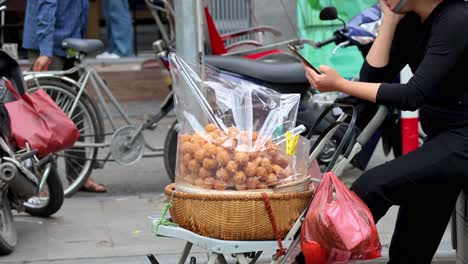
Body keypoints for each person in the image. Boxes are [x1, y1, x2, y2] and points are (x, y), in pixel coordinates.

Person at [305, 0, 468, 262]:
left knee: (371, 187)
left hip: (462, 140)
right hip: (443, 140)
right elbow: (372, 78)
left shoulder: (456, 19)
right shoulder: (413, 23)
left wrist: (341, 85)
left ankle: (306, 259)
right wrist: (389, 20)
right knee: (410, 248)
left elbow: (412, 95)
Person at [23, 0, 107, 193]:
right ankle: (36, 177)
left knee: (75, 110)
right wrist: (45, 51)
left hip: (68, 41)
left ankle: (78, 174)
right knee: (43, 116)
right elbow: (46, 4)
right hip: (49, 44)